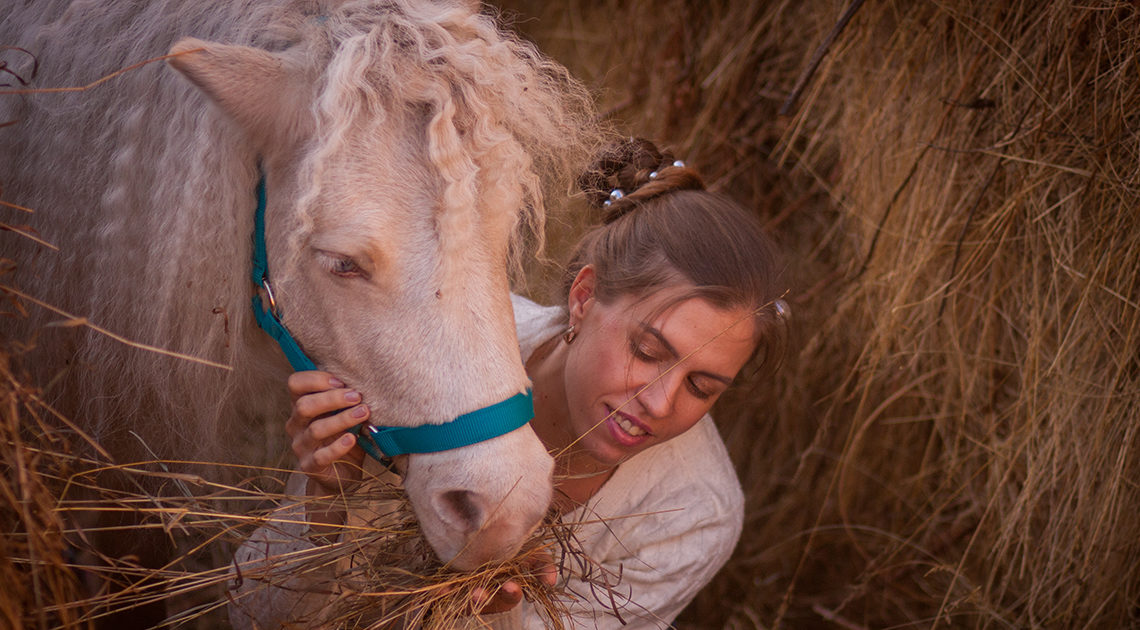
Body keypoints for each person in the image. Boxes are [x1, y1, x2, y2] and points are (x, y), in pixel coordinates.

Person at [228, 138, 788, 629]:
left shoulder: (695, 514)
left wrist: (493, 618)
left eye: (703, 388)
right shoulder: (431, 358)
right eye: (646, 352)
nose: (660, 402)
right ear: (583, 298)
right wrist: (326, 505)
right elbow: (253, 615)